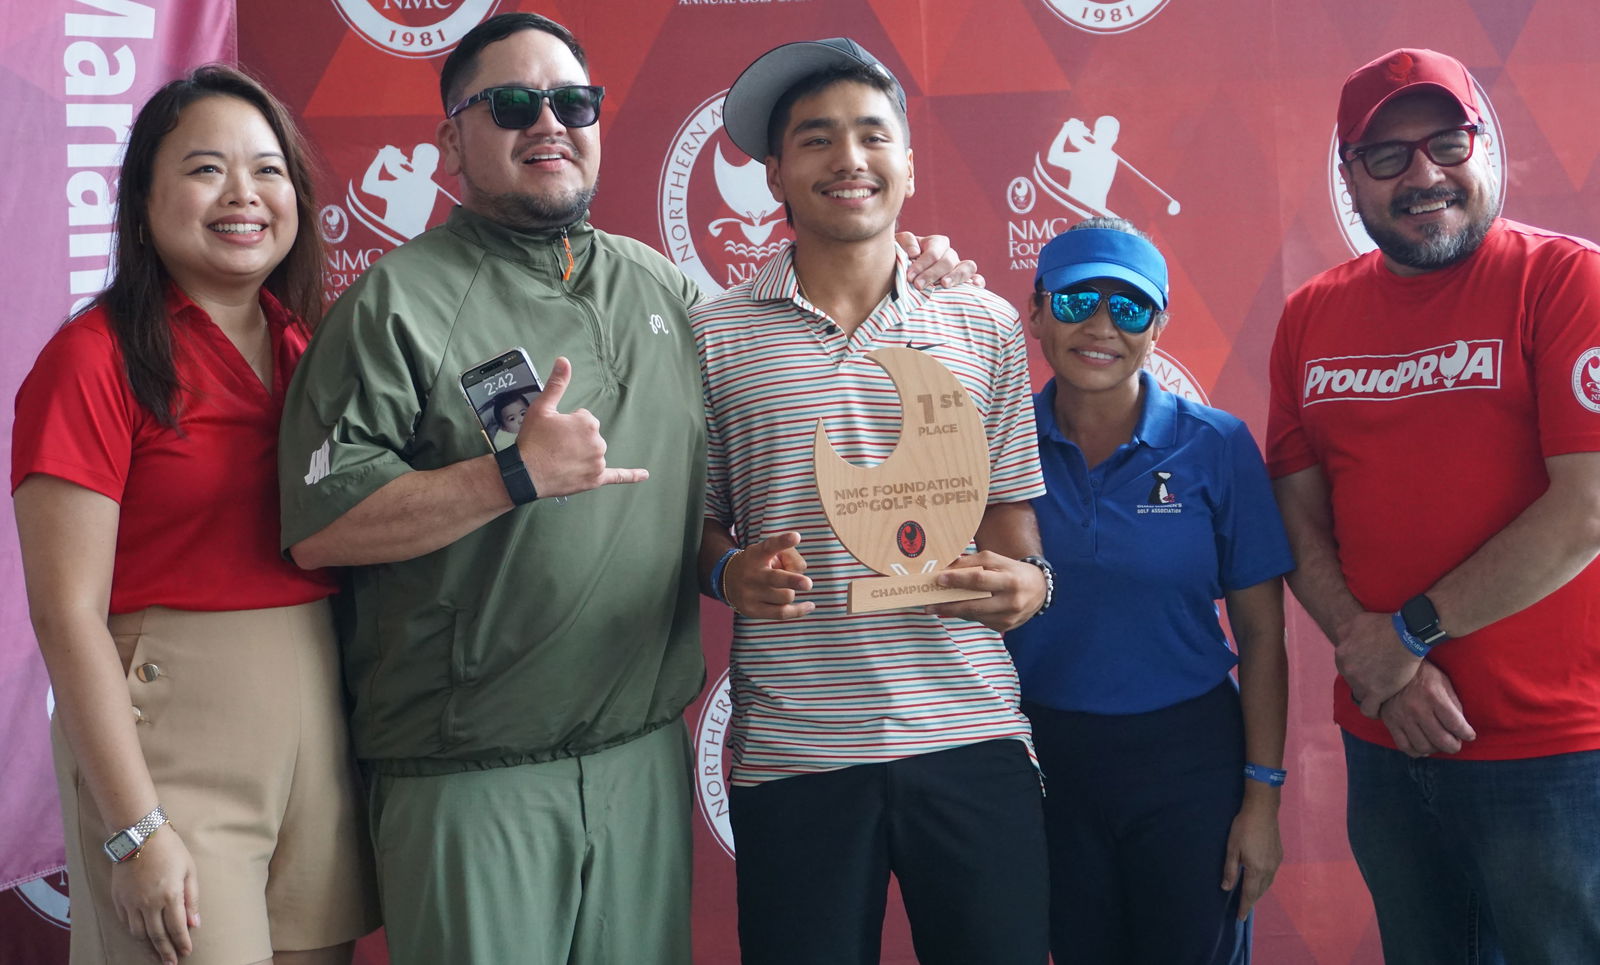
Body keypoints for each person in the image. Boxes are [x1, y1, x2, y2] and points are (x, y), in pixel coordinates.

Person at [274, 14, 974, 965]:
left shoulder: (661, 288)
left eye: (573, 102)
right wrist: (509, 474)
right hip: (470, 776)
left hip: (640, 760)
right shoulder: (394, 303)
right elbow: (321, 527)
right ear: (451, 140)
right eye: (512, 104)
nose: (548, 123)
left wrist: (915, 270)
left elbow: (726, 463)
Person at [694, 38, 1052, 965]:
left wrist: (1030, 586)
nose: (848, 160)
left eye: (871, 135)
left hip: (970, 734)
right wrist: (729, 572)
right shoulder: (713, 336)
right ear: (773, 173)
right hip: (796, 750)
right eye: (815, 140)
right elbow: (695, 527)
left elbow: (1013, 523)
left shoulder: (984, 323)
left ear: (906, 159)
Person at [11, 66, 378, 965]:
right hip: (170, 739)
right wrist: (137, 830)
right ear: (142, 201)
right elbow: (65, 614)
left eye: (269, 170)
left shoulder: (309, 348)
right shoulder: (92, 358)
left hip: (319, 730)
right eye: (206, 168)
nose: (244, 195)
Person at [1267, 47, 1600, 961]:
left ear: (1484, 148)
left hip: (1551, 753)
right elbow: (1297, 517)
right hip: (1387, 741)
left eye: (1446, 143)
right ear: (1350, 178)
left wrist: (1406, 633)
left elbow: (1589, 509)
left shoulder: (1567, 282)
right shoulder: (1308, 317)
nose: (1424, 175)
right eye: (1387, 157)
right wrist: (1385, 664)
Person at [1006, 219, 1291, 964]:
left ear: (1158, 327)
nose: (1101, 327)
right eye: (1076, 303)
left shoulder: (1216, 444)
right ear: (1036, 311)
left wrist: (1261, 798)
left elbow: (1263, 635)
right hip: (1046, 759)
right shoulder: (990, 445)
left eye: (1129, 309)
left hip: (1188, 760)